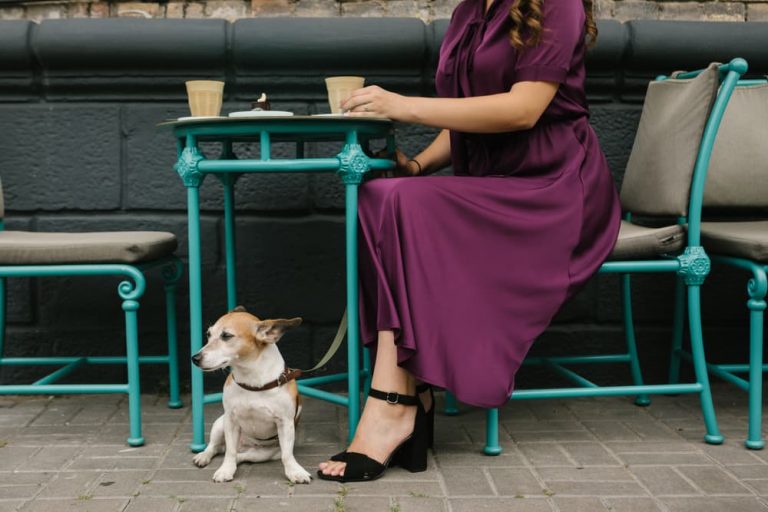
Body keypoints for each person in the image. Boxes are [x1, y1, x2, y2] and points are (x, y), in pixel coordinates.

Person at [318, 0, 621, 482]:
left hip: (555, 191)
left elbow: (523, 110)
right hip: (494, 184)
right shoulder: (468, 13)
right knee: (379, 195)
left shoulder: (555, 3)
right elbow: (462, 120)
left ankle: (394, 406)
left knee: (403, 204)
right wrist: (417, 166)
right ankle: (406, 394)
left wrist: (402, 106)